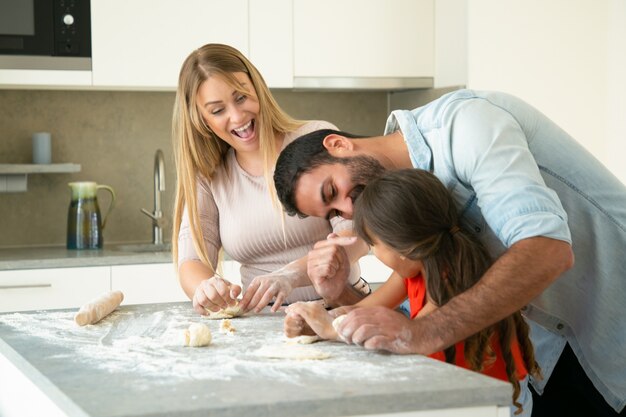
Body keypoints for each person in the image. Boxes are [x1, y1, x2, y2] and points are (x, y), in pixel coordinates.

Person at [273, 89, 626, 416]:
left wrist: (420, 332)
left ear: (338, 145)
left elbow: (547, 250)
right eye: (333, 213)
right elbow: (412, 288)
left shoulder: (468, 125)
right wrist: (337, 311)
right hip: (550, 354)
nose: (346, 210)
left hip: (611, 324)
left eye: (332, 190)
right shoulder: (408, 196)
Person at [286, 169, 541, 416]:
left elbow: (403, 340)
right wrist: (315, 321)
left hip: (492, 403)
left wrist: (332, 329)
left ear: (401, 249)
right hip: (457, 396)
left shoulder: (453, 285)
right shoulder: (413, 272)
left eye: (374, 246)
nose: (376, 253)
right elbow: (363, 311)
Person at [171, 43, 369, 318]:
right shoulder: (208, 174)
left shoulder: (315, 138)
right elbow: (191, 261)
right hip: (260, 321)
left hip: (342, 309)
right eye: (217, 110)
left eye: (241, 97)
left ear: (257, 88)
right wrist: (205, 287)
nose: (238, 117)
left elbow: (356, 234)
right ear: (202, 120)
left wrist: (289, 276)